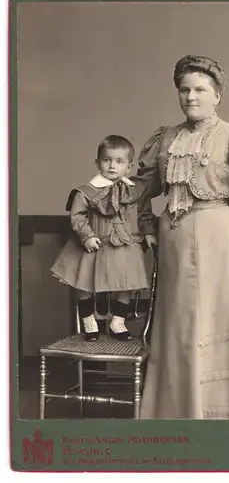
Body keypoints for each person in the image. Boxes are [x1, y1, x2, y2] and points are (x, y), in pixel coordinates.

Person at [136, 54, 229, 419]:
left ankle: (221, 420)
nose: (191, 97)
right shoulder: (166, 138)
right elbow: (138, 190)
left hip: (221, 240)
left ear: (217, 95)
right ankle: (178, 415)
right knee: (179, 326)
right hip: (174, 242)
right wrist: (148, 225)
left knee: (218, 323)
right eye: (184, 90)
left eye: (200, 89)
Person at [51, 135, 157, 341]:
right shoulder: (87, 192)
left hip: (125, 246)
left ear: (129, 166)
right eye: (107, 160)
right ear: (97, 163)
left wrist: (149, 232)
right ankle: (89, 321)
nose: (112, 166)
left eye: (119, 161)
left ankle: (118, 322)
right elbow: (78, 216)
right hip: (96, 244)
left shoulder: (136, 192)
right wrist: (87, 236)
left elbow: (144, 215)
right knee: (85, 283)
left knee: (127, 284)